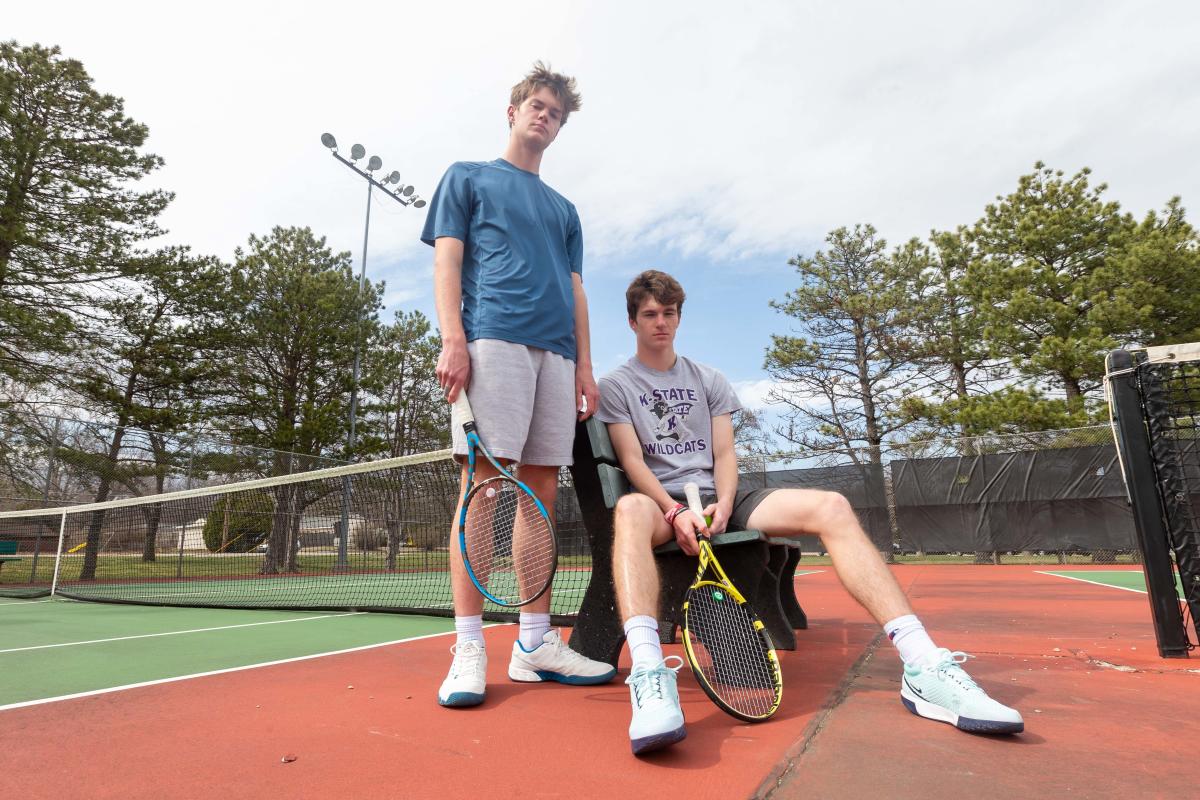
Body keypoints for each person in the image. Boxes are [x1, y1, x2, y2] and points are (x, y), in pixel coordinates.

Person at [596, 270, 1024, 755]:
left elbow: (725, 457)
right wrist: (674, 511)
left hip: (723, 502)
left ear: (679, 317)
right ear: (632, 322)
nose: (661, 323)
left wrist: (726, 507)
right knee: (629, 508)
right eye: (650, 314)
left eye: (669, 313)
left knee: (832, 506)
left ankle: (924, 665)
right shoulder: (616, 386)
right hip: (661, 506)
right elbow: (633, 462)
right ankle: (651, 675)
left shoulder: (709, 379)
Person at [422, 62, 615, 707]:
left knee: (541, 490)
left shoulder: (565, 210)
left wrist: (586, 365)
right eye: (537, 106)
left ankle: (534, 642)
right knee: (483, 488)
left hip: (557, 358)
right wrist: (453, 338)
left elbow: (576, 290)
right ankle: (469, 645)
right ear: (513, 111)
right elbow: (447, 258)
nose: (546, 118)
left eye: (557, 114)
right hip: (491, 341)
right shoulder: (468, 178)